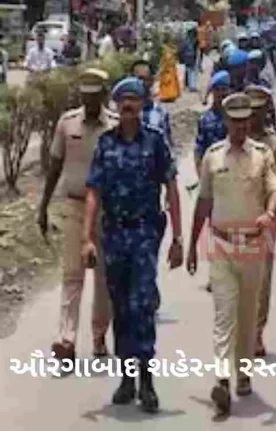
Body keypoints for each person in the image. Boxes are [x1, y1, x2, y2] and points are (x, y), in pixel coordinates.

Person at [82, 77, 183, 413]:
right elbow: (94, 192)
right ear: (116, 104)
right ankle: (127, 379)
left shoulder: (154, 143)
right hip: (113, 236)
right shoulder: (106, 144)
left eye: (134, 99)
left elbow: (170, 187)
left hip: (143, 235)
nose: (128, 105)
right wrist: (87, 239)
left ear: (142, 105)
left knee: (142, 306)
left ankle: (147, 382)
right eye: (123, 99)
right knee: (120, 308)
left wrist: (178, 238)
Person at [187, 92, 276, 418]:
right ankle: (223, 378)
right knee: (224, 314)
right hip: (222, 245)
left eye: (245, 121)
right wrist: (191, 247)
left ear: (250, 121)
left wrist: (269, 214)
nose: (241, 127)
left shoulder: (263, 155)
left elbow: (275, 189)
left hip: (253, 245)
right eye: (235, 122)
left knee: (246, 313)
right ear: (226, 122)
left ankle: (242, 372)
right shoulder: (213, 157)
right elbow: (203, 203)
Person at [38, 69, 117, 363]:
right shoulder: (67, 122)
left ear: (104, 95)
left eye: (95, 96)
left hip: (106, 213)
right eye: (85, 96)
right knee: (72, 275)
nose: (90, 101)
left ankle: (98, 338)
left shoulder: (115, 126)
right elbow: (55, 165)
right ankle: (66, 340)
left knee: (103, 280)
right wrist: (43, 205)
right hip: (73, 207)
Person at [244, 84, 276, 357]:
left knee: (262, 281)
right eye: (251, 111)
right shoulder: (234, 139)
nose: (255, 117)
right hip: (237, 217)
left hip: (266, 219)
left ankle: (257, 332)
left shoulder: (274, 144)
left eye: (260, 111)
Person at [132, 60, 175, 155]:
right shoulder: (123, 111)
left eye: (144, 79)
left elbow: (167, 145)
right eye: (136, 79)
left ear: (151, 81)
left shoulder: (159, 112)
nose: (140, 83)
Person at [195, 71, 231, 172]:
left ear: (229, 91)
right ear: (213, 92)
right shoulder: (205, 119)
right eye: (217, 90)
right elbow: (199, 149)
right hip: (212, 169)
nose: (221, 94)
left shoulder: (234, 117)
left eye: (224, 90)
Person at [180, 28, 199, 92]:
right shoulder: (194, 40)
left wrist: (181, 58)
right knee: (192, 72)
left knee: (188, 71)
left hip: (187, 57)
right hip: (191, 57)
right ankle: (192, 86)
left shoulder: (185, 40)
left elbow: (181, 49)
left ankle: (188, 85)